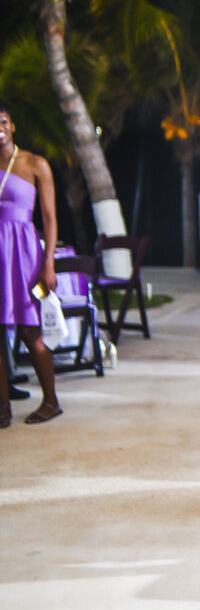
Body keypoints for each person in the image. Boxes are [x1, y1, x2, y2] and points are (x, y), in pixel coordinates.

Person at [0, 99, 62, 429]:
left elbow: (50, 218)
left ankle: (51, 401)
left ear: (12, 125)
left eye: (3, 121)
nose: (0, 127)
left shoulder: (35, 163)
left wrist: (48, 262)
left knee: (29, 329)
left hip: (23, 255)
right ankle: (2, 410)